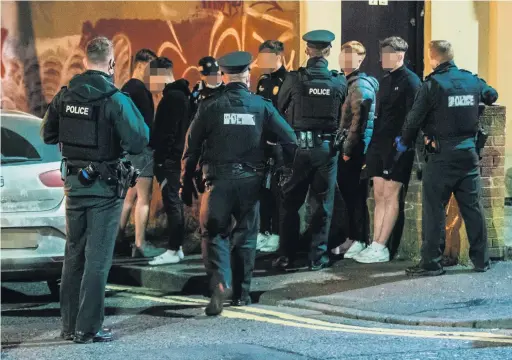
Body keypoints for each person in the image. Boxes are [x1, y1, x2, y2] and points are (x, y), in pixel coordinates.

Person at [41, 37, 149, 343]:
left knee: (73, 254)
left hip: (73, 187)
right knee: (97, 259)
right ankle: (87, 329)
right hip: (104, 188)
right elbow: (139, 140)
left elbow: (48, 134)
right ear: (112, 63)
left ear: (84, 60)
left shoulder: (65, 95)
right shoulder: (115, 99)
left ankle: (68, 325)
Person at [181, 51, 297, 316]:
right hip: (250, 182)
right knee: (245, 237)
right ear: (247, 76)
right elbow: (290, 139)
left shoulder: (209, 107)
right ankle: (242, 294)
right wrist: (283, 168)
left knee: (214, 234)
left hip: (217, 182)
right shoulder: (261, 106)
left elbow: (191, 149)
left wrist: (185, 184)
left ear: (223, 76)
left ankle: (221, 282)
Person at [397, 40, 498, 276]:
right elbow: (491, 94)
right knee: (473, 209)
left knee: (434, 210)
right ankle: (481, 261)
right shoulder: (471, 80)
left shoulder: (433, 85)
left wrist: (403, 142)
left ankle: (432, 263)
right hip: (469, 154)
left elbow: (413, 119)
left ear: (434, 58)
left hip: (441, 156)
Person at [272, 30, 348, 271]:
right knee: (323, 205)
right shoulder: (338, 81)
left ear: (307, 51)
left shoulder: (295, 79)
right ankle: (317, 257)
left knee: (290, 203)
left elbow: (278, 109)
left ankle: (286, 255)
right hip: (326, 150)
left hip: (297, 150)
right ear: (328, 51)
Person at [353, 36, 421, 264]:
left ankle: (382, 246)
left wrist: (402, 144)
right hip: (379, 145)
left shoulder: (411, 81)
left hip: (397, 147)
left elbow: (413, 117)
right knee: (378, 194)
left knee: (391, 195)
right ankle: (375, 243)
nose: (381, 58)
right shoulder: (386, 80)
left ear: (399, 55)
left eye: (386, 54)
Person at [332, 41, 379, 257]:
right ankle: (352, 238)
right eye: (344, 54)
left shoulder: (359, 85)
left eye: (351, 56)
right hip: (350, 148)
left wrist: (348, 149)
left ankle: (357, 239)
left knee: (354, 197)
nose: (346, 59)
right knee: (350, 197)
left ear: (361, 60)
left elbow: (359, 120)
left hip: (354, 151)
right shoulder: (348, 82)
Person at [117, 49, 166, 258]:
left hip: (127, 150)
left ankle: (115, 241)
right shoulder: (139, 90)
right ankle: (140, 244)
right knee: (144, 197)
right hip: (141, 150)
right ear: (140, 65)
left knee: (129, 196)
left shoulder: (127, 88)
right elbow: (145, 124)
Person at [150, 57, 191, 265]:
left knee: (172, 203)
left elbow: (168, 133)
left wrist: (162, 159)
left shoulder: (172, 98)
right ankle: (178, 247)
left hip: (170, 162)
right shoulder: (182, 96)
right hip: (175, 160)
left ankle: (174, 249)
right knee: (174, 202)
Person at [255, 40, 288, 253]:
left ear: (279, 56)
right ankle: (263, 231)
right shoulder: (262, 81)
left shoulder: (287, 80)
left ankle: (277, 233)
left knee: (278, 190)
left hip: (279, 145)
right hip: (262, 144)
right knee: (262, 190)